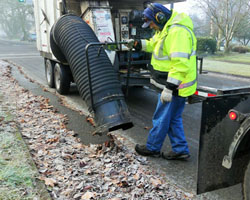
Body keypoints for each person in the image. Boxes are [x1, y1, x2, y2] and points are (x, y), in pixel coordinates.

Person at [127, 3, 197, 160]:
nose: (151, 26)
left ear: (160, 17)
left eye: (151, 23)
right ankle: (180, 149)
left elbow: (180, 64)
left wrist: (170, 88)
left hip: (175, 86)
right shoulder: (166, 29)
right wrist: (138, 44)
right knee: (173, 118)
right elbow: (155, 44)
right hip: (174, 85)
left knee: (161, 117)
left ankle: (153, 148)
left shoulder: (177, 32)